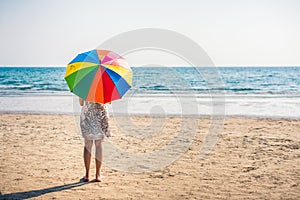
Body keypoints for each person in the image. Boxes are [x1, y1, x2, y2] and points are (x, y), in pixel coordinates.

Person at [79, 97, 110, 182]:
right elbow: (109, 101)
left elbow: (81, 103)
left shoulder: (84, 85)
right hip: (100, 116)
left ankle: (87, 175)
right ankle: (98, 175)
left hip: (87, 115)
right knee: (98, 145)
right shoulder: (104, 85)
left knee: (87, 145)